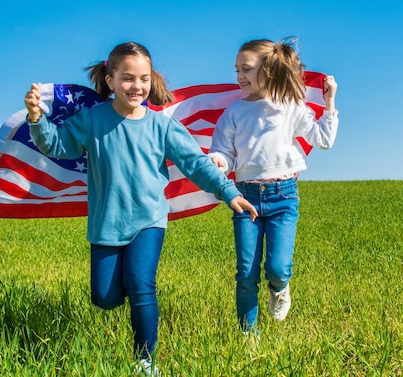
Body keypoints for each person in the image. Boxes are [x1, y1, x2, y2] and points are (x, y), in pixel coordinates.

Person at [24, 41, 258, 375]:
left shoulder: (161, 126)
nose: (137, 86)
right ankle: (123, 299)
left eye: (144, 78)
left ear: (151, 80)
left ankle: (144, 360)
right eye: (128, 78)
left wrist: (228, 191)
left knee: (142, 285)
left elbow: (195, 163)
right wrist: (37, 118)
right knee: (104, 298)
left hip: (149, 220)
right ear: (110, 81)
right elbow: (58, 145)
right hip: (106, 223)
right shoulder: (92, 119)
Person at [209, 37, 339, 336]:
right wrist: (219, 161)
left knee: (278, 269)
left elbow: (324, 140)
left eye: (247, 69)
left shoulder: (292, 107)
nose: (240, 76)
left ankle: (280, 288)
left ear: (268, 70)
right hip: (246, 198)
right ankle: (248, 336)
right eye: (237, 70)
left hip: (283, 197)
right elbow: (224, 152)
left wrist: (330, 103)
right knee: (246, 273)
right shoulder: (234, 112)